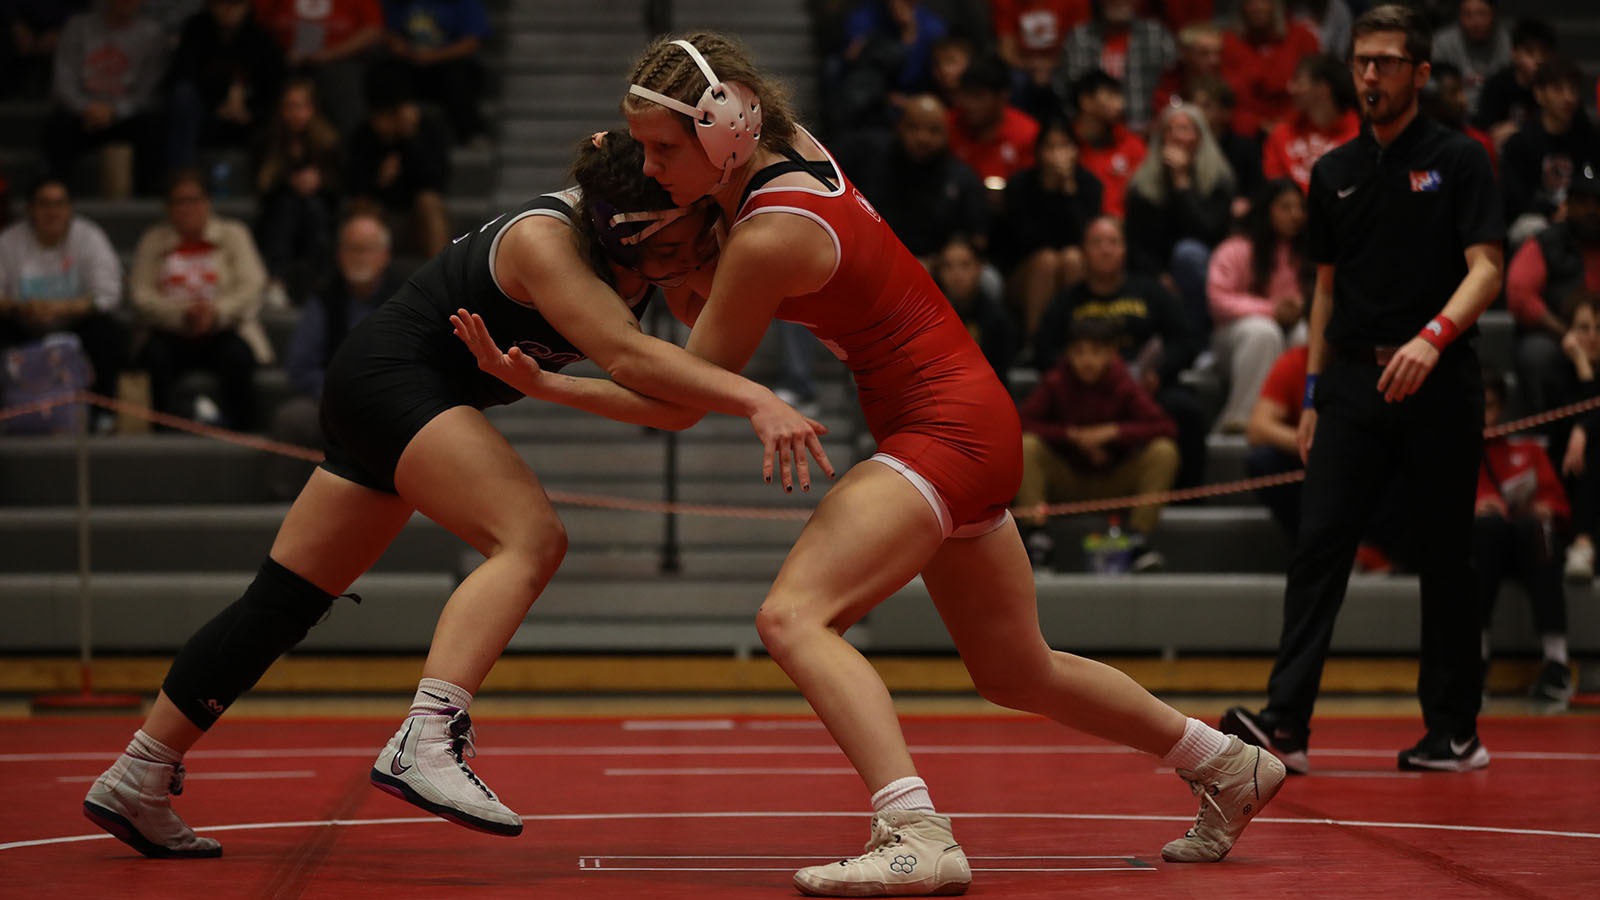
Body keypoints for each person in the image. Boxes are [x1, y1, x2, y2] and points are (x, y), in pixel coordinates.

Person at [615, 32, 1283, 896]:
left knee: (794, 618)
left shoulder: (767, 236)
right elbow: (701, 281)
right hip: (963, 418)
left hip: (942, 429)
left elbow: (677, 399)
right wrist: (660, 207)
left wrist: (541, 381)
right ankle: (1225, 762)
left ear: (725, 127)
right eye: (641, 150)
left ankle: (915, 828)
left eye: (662, 149)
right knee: (1015, 668)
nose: (650, 165)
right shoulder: (792, 151)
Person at [81, 132, 832, 859]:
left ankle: (139, 773)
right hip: (395, 381)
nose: (689, 259)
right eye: (671, 249)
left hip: (389, 390)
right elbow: (635, 357)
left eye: (692, 242)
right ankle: (428, 735)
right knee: (532, 537)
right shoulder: (548, 243)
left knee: (283, 600)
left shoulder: (648, 244)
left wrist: (729, 264)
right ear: (620, 238)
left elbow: (685, 383)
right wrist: (758, 399)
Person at [1222, 5, 1505, 776]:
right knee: (1320, 544)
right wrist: (1312, 392)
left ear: (1421, 71)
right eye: (1361, 62)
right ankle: (1286, 727)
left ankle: (1453, 731)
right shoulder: (1334, 171)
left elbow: (1488, 266)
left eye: (1386, 61)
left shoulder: (1461, 158)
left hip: (1439, 375)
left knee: (1446, 553)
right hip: (1349, 380)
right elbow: (1323, 290)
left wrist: (1431, 338)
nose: (1371, 75)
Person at [1037, 214, 1209, 490]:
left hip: (1145, 386)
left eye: (1113, 242)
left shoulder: (1151, 291)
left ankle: (1187, 495)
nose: (1106, 249)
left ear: (1125, 249)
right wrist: (1074, 375)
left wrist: (1160, 373)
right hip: (1081, 390)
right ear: (1084, 252)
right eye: (1097, 243)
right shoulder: (1066, 300)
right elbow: (1044, 350)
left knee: (1185, 410)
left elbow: (1187, 340)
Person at [1017, 315, 1178, 573]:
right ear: (1069, 353)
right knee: (1026, 446)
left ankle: (1138, 540)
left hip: (1114, 480)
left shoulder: (1122, 382)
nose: (1087, 361)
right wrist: (1071, 436)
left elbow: (1165, 427)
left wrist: (1113, 433)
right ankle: (1038, 537)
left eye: (1096, 352)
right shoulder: (1057, 381)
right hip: (1066, 481)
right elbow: (1021, 423)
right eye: (1079, 352)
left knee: (1164, 451)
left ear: (1111, 354)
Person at [267, 212, 405, 497]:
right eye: (351, 249)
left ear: (385, 255)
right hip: (331, 402)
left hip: (390, 401)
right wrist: (341, 396)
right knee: (291, 418)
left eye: (366, 249)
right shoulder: (324, 299)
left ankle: (399, 501)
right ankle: (284, 503)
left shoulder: (405, 297)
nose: (359, 257)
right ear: (339, 254)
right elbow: (300, 366)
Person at [129, 168, 271, 431]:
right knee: (152, 358)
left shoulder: (234, 234)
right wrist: (182, 315)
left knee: (237, 357)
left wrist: (215, 313)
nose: (186, 208)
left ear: (207, 202)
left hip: (224, 329)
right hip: (169, 332)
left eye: (193, 200)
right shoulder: (153, 240)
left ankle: (242, 432)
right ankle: (161, 435)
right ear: (168, 207)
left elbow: (252, 285)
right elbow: (141, 295)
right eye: (178, 201)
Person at [1474, 367, 1574, 704]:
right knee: (1485, 529)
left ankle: (1556, 661)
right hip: (1482, 548)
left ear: (1500, 407)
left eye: (1487, 405)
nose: (1481, 414)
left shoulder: (1527, 449)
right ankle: (1475, 660)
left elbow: (1554, 500)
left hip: (1528, 547)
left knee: (1540, 529)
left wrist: (1543, 506)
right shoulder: (1453, 452)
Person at [0, 178, 128, 418]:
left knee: (108, 332)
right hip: (23, 324)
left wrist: (63, 308)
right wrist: (21, 306)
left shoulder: (89, 237)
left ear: (70, 208)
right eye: (44, 204)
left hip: (75, 325)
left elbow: (109, 294)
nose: (53, 212)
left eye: (59, 204)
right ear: (31, 210)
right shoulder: (9, 241)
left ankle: (102, 415)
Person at [1123, 101, 1235, 335]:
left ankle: (1200, 339)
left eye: (1185, 129)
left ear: (1200, 138)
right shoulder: (1141, 185)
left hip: (1206, 268)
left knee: (1188, 253)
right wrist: (1159, 275)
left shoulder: (1219, 180)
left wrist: (1182, 183)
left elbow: (1210, 233)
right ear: (1161, 138)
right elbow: (1135, 242)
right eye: (1170, 129)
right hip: (1156, 272)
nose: (1176, 136)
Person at [1208, 177, 1310, 433]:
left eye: (1300, 207)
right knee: (1262, 331)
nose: (1296, 215)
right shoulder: (1236, 248)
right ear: (1267, 209)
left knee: (1307, 334)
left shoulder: (1309, 251)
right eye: (1286, 207)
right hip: (1235, 337)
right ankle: (1242, 420)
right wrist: (1272, 310)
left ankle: (1297, 420)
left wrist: (1301, 308)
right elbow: (1218, 299)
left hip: (1292, 327)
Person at [994, 118, 1103, 349]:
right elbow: (1025, 240)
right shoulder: (1020, 185)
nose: (1057, 155)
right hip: (1022, 272)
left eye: (1064, 146)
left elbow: (1085, 239)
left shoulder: (1088, 185)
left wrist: (1069, 192)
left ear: (1075, 151)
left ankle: (1077, 343)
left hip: (1072, 265)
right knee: (1046, 260)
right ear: (1039, 152)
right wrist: (1050, 190)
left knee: (1073, 258)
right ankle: (1036, 344)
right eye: (1051, 147)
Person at [42, 0, 169, 196]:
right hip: (83, 114)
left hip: (128, 117)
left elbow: (148, 90)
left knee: (154, 126)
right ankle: (57, 195)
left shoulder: (152, 34)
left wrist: (115, 111)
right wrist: (86, 108)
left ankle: (148, 197)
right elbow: (62, 83)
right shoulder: (78, 27)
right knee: (58, 126)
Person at [165, 0, 286, 171]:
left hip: (248, 113)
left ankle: (270, 181)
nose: (228, 10)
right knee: (183, 94)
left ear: (246, 6)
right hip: (205, 108)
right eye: (222, 4)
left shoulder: (261, 39)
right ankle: (181, 175)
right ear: (211, 5)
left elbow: (272, 86)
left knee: (286, 105)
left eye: (235, 4)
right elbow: (183, 72)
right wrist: (223, 95)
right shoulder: (195, 30)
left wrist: (250, 109)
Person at [253, 77, 344, 303]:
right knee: (288, 206)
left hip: (320, 217)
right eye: (289, 106)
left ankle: (324, 283)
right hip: (278, 219)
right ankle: (275, 281)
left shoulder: (329, 141)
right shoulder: (268, 141)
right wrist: (287, 181)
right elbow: (262, 191)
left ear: (312, 109)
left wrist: (321, 181)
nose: (295, 113)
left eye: (300, 106)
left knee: (313, 207)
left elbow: (342, 188)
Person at [346, 77, 452, 259]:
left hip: (415, 218)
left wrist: (411, 139)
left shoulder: (425, 131)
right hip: (381, 214)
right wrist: (379, 181)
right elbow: (354, 189)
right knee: (362, 208)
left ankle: (441, 279)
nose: (385, 124)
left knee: (429, 203)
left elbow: (436, 183)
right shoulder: (364, 136)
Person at [1499, 57, 1599, 247]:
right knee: (1531, 227)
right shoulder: (1520, 142)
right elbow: (1514, 199)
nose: (1568, 97)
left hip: (1581, 217)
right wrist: (1552, 210)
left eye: (1573, 90)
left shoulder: (1588, 138)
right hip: (1537, 220)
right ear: (1539, 94)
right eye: (1558, 89)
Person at [375, 0, 491, 145]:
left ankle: (472, 133)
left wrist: (433, 57)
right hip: (411, 63)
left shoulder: (466, 3)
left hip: (449, 62)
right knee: (386, 72)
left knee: (458, 76)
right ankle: (392, 132)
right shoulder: (400, 4)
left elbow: (472, 42)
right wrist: (397, 44)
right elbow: (387, 32)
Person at [1054, 0, 1174, 133]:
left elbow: (1175, 84)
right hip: (1092, 138)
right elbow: (1064, 89)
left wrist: (1159, 124)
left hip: (1149, 132)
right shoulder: (1079, 38)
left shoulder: (1156, 35)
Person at [1220, 0, 1323, 140]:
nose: (1257, 7)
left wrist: (1286, 124)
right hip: (1246, 135)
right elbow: (1226, 99)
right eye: (1250, 2)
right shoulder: (1229, 43)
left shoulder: (1303, 38)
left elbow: (1317, 90)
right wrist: (1258, 125)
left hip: (1300, 126)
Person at [1262, 52, 1360, 195]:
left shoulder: (1359, 138)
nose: (1290, 88)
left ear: (1322, 90)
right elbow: (1274, 189)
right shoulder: (1281, 134)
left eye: (1299, 82)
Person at [1429, 0, 1509, 117]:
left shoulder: (1506, 43)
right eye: (1468, 15)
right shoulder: (1442, 42)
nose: (1476, 22)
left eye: (1482, 14)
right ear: (1459, 16)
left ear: (1493, 15)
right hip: (1451, 116)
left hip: (1493, 116)